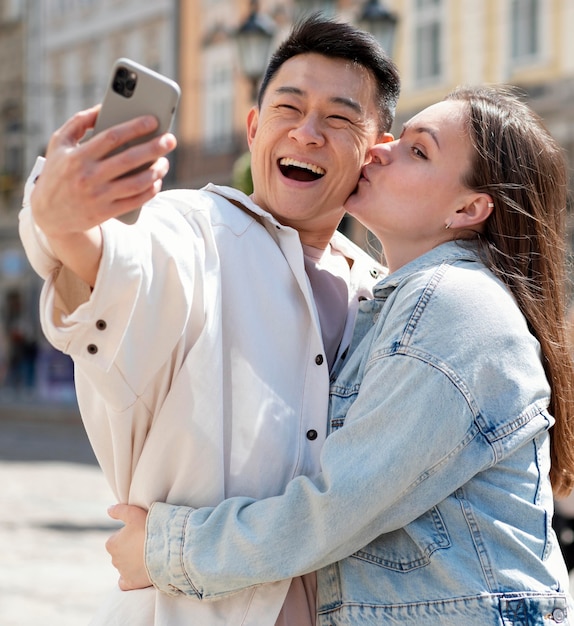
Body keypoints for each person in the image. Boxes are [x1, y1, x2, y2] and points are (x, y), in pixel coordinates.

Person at [107, 85, 574, 625]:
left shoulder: (451, 303)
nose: (381, 150)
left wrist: (166, 551)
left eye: (418, 151)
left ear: (469, 208)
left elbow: (339, 506)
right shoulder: (402, 299)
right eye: (398, 138)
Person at [18, 14, 400, 626]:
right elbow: (125, 260)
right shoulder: (197, 229)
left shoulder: (384, 293)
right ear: (252, 128)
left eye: (339, 118)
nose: (307, 133)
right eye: (288, 108)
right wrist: (62, 220)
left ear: (376, 151)